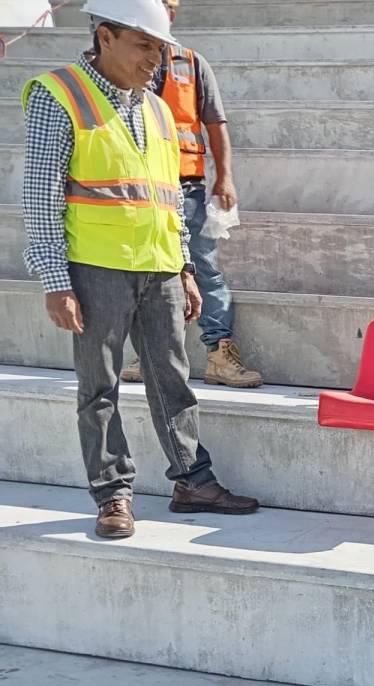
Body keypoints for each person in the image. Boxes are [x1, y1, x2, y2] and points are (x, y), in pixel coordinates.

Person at [21, 0, 258, 539]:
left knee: (172, 379)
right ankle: (112, 495)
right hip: (94, 267)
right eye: (144, 44)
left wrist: (184, 268)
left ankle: (193, 480)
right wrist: (55, 281)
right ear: (105, 37)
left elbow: (167, 196)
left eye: (161, 47)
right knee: (98, 388)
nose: (156, 58)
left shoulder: (154, 107)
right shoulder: (59, 96)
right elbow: (39, 198)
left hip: (159, 267)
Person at [120, 0, 262, 388]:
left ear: (172, 13)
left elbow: (215, 124)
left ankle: (219, 354)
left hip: (185, 187)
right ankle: (148, 351)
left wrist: (225, 178)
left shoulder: (192, 63)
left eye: (163, 6)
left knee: (204, 269)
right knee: (146, 272)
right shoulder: (118, 63)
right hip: (137, 187)